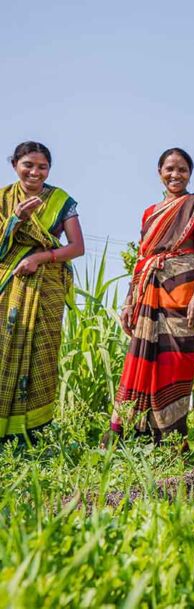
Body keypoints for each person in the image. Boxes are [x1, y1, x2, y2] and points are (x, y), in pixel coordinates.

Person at [106, 148, 194, 446]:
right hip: (147, 291)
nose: (175, 175)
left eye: (182, 169)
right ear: (159, 172)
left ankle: (170, 435)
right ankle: (134, 433)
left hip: (182, 291)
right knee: (143, 357)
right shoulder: (150, 213)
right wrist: (130, 301)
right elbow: (142, 258)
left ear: (190, 174)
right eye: (169, 169)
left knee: (176, 359)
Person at [0, 141, 85, 439]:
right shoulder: (3, 199)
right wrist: (15, 221)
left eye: (42, 167)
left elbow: (77, 247)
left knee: (42, 352)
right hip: (7, 285)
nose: (35, 172)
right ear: (14, 166)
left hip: (46, 284)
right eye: (28, 165)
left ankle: (31, 432)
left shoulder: (61, 200)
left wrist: (39, 257)